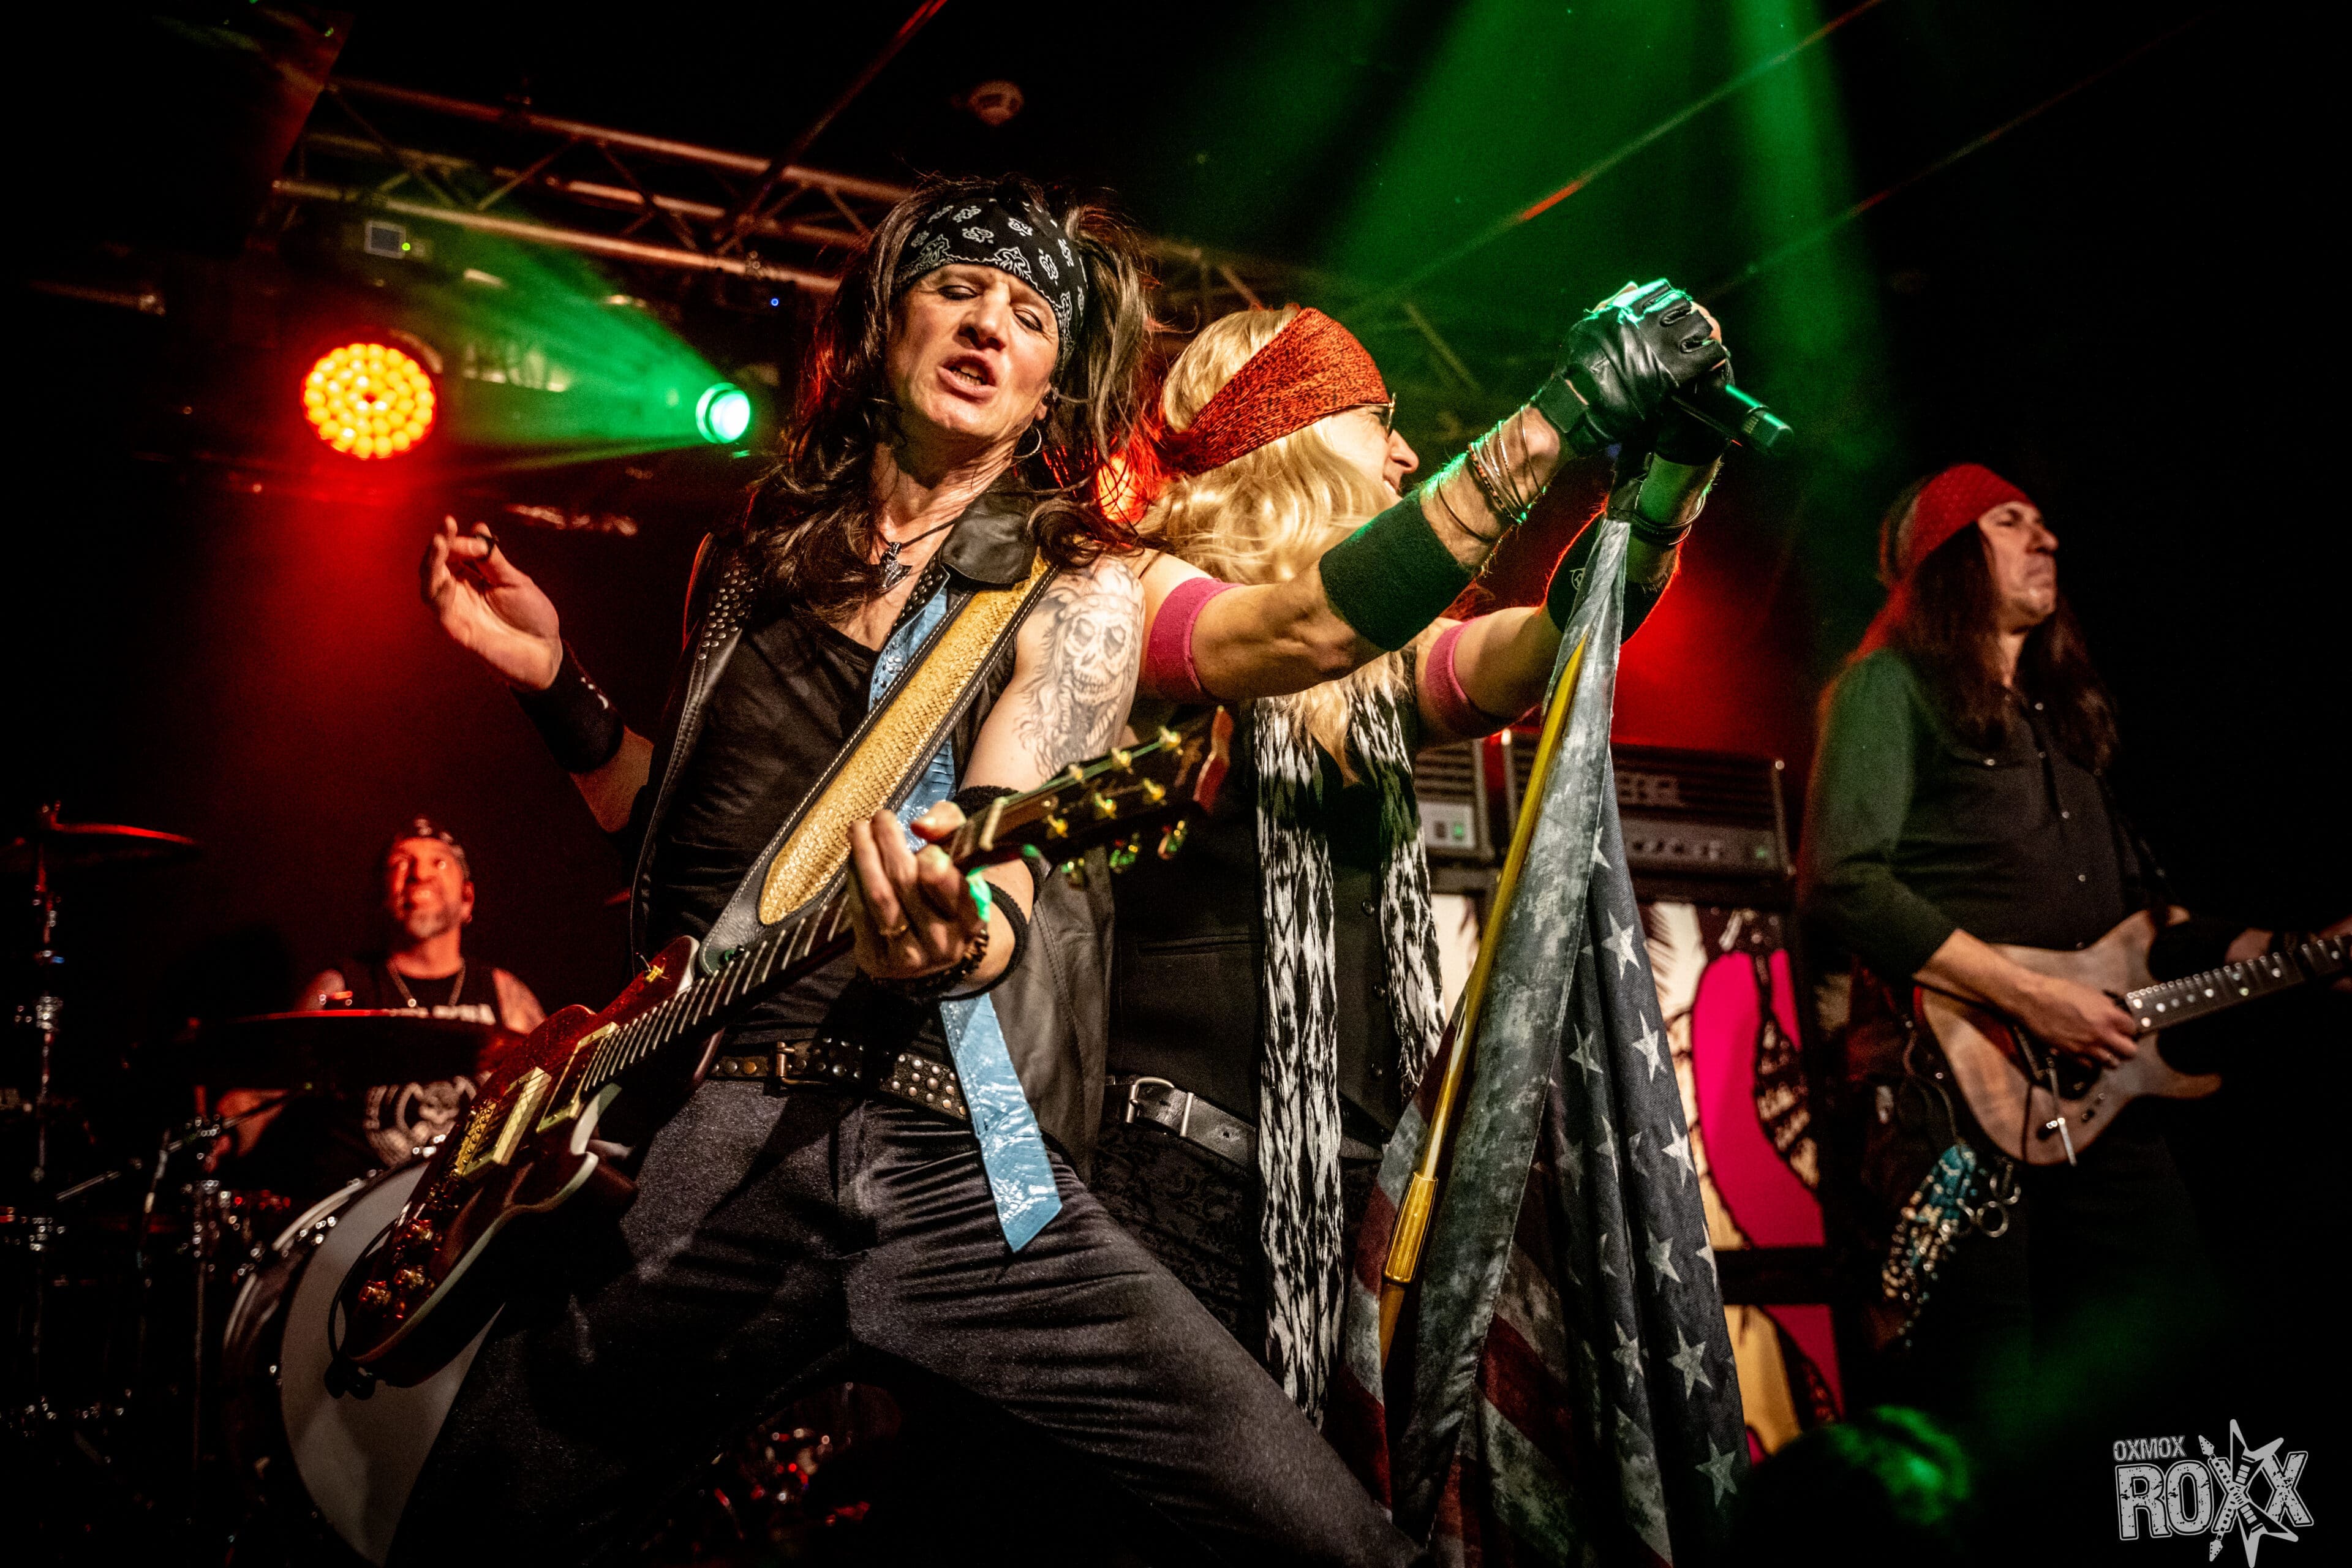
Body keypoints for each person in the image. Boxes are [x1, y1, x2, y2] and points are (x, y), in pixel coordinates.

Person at [406, 169, 1717, 1564]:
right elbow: (698, 867)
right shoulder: (749, 564)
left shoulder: (1081, 583)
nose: (990, 324)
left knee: (1329, 1536)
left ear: (1054, 385)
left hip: (973, 1142)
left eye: (1031, 313)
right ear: (882, 326)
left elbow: (1068, 805)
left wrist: (961, 929)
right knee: (470, 1519)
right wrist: (556, 689)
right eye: (957, 288)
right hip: (748, 1120)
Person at [1093, 299, 1733, 1417]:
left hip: (1353, 1204)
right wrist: (1559, 418)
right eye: (1376, 423)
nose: (1404, 455)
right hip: (1173, 1193)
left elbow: (1551, 650)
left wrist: (1667, 491)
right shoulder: (1133, 596)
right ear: (1289, 434)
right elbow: (1307, 625)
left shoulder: (1375, 671)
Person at [1796, 462, 2349, 1476]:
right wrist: (2034, 1000)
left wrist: (2299, 955)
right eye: (2011, 522)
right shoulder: (1889, 688)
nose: (2046, 538)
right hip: (1949, 1098)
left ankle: (2163, 1535)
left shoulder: (2062, 724)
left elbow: (2149, 928)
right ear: (1947, 557)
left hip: (2102, 1094)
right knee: (1979, 1403)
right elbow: (1843, 883)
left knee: (2174, 1374)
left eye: (2045, 522)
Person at [214, 818, 543, 1197]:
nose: (420, 873)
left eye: (439, 862)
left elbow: (553, 1090)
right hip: (357, 1214)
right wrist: (220, 1134)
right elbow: (261, 1093)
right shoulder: (341, 987)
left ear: (468, 899)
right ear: (382, 896)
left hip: (468, 1210)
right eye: (402, 862)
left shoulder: (505, 994)